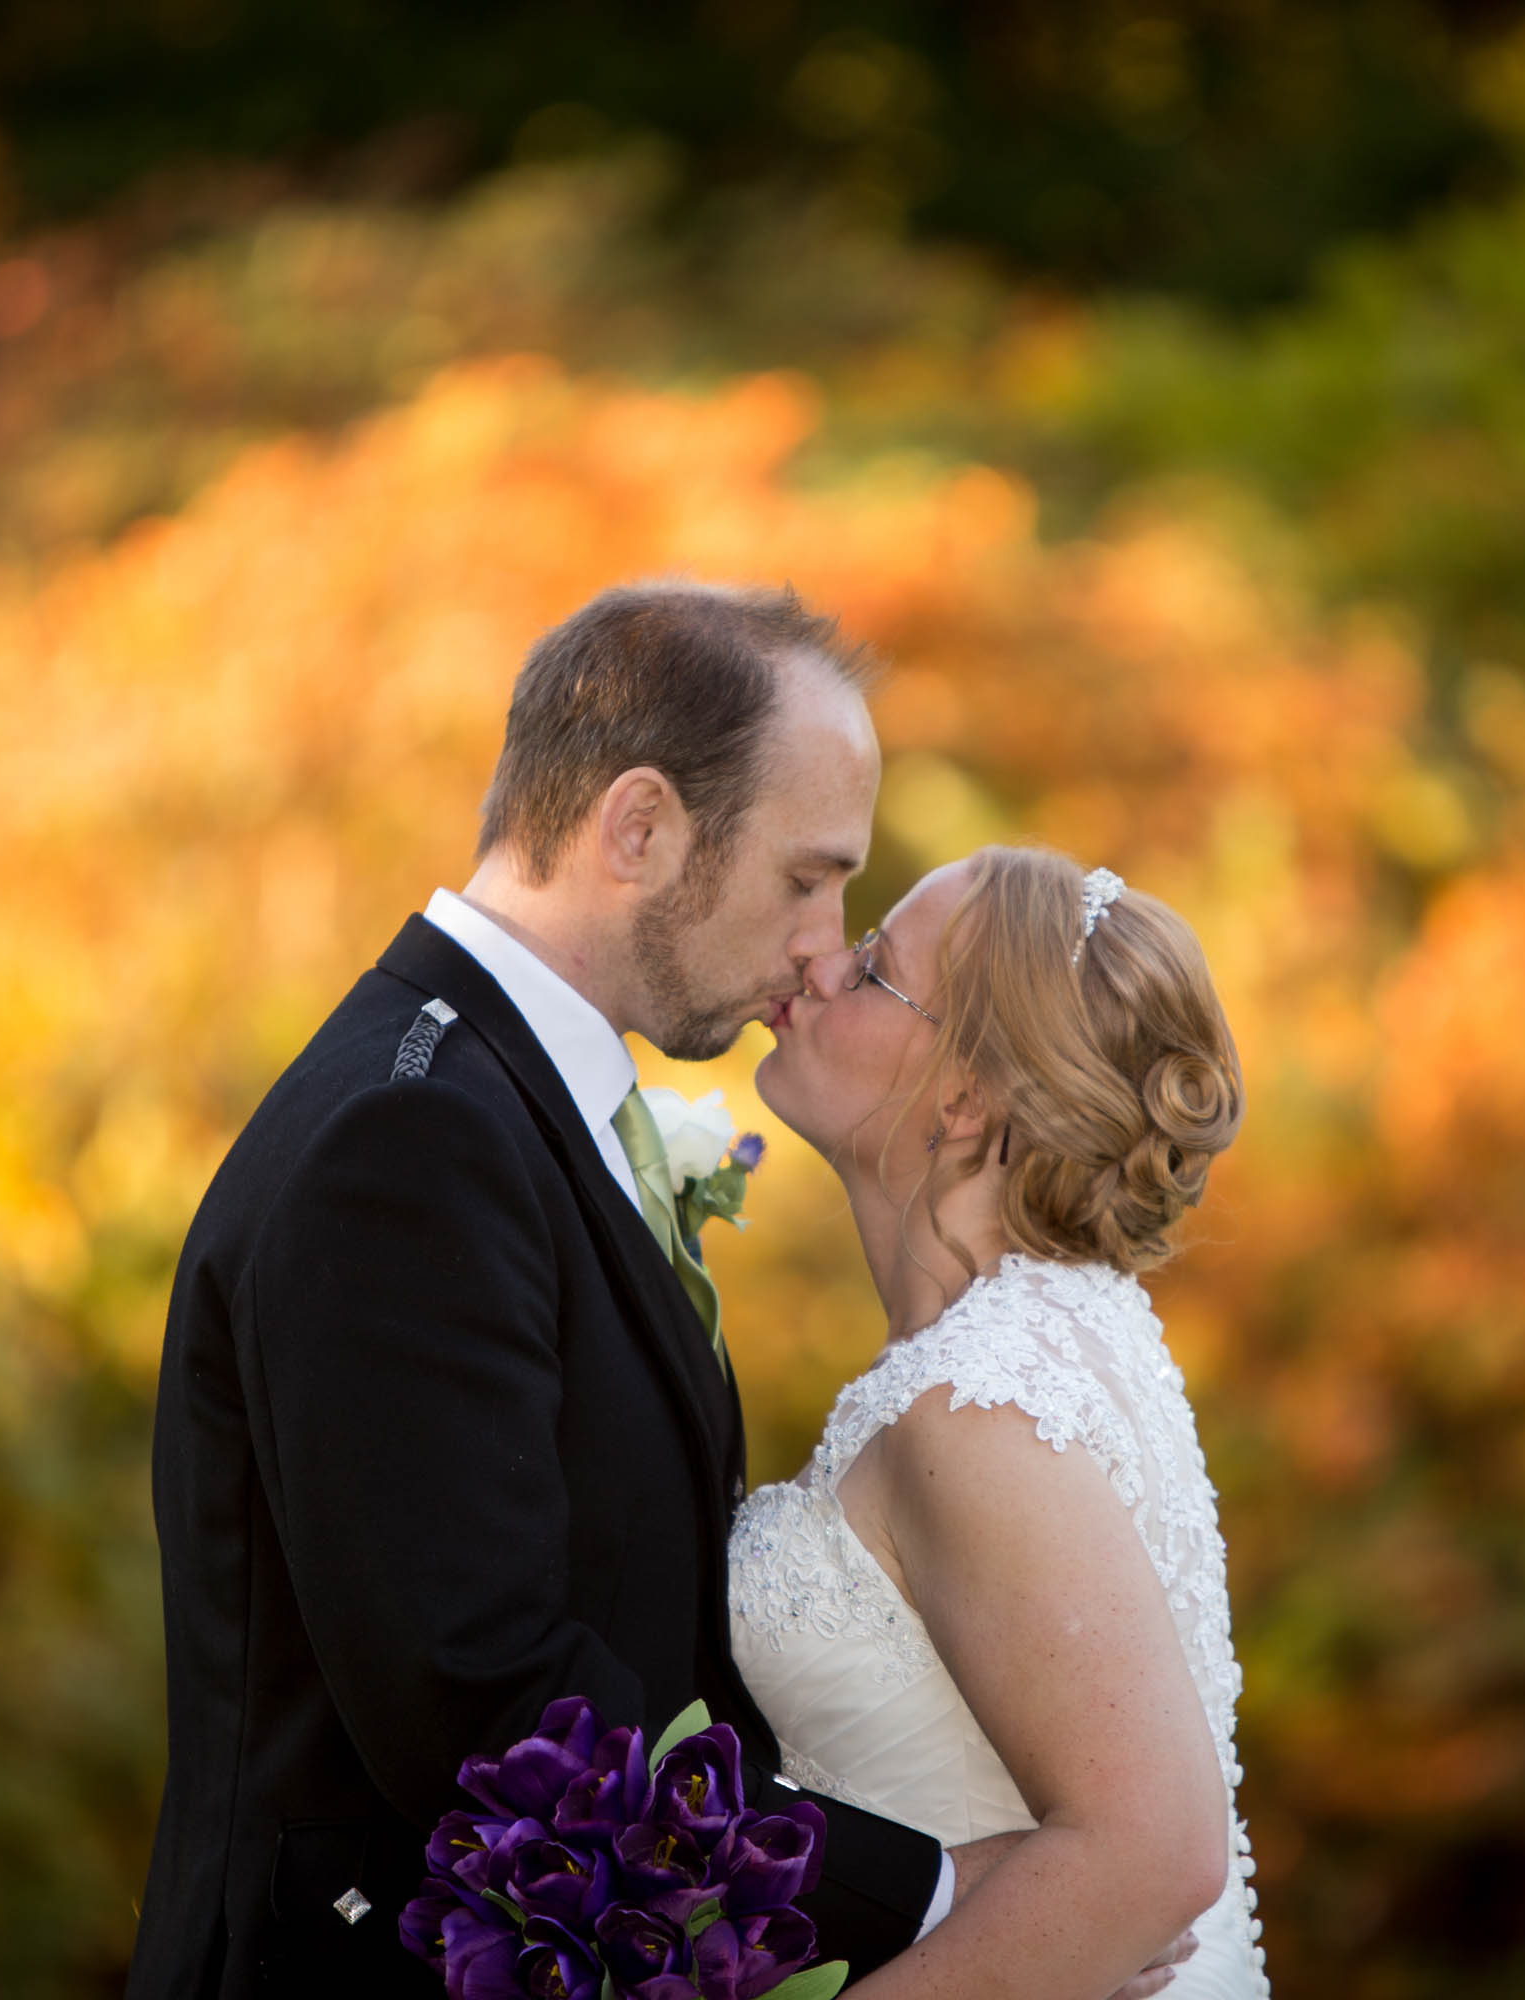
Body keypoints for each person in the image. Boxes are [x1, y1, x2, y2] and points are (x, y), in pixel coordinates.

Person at [123, 582, 1193, 1997]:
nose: (824, 941)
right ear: (638, 831)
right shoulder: (413, 1138)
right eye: (807, 876)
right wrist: (933, 1883)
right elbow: (485, 1704)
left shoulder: (516, 1112)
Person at [735, 845, 1269, 1998]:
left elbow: (1151, 1853)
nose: (825, 965)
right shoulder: (1040, 1337)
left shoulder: (978, 1403)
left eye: (876, 965)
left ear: (970, 1095)